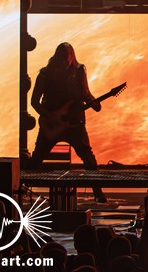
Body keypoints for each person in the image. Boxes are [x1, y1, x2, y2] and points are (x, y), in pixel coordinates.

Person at [29, 42, 107, 202]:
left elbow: (85, 93)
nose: (65, 62)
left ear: (72, 58)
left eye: (67, 58)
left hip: (74, 123)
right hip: (52, 124)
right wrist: (50, 116)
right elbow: (34, 101)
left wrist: (93, 103)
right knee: (36, 159)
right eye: (62, 58)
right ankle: (20, 189)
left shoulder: (79, 71)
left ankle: (98, 193)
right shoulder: (45, 74)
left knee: (88, 158)